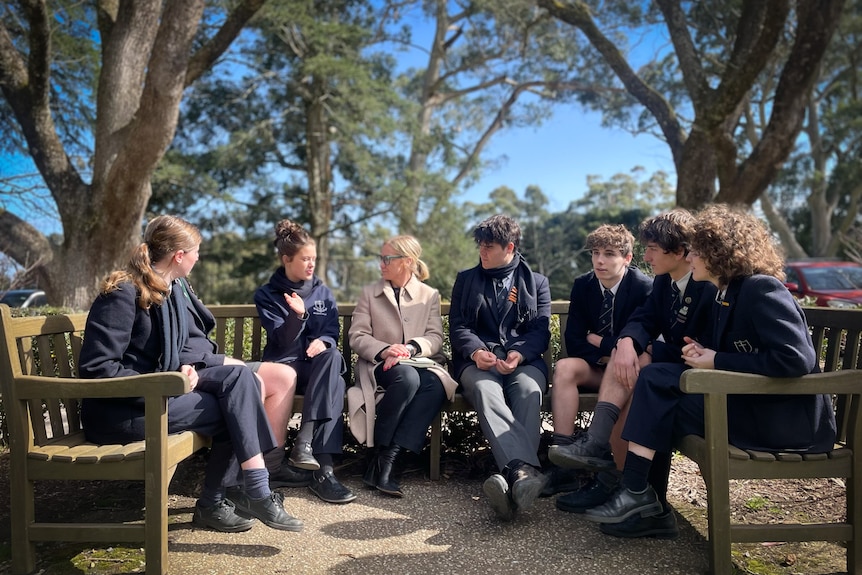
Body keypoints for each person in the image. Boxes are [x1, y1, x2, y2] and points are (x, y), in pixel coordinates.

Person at [583, 204, 837, 539]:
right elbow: (733, 353)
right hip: (749, 404)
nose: (690, 258)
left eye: (697, 251)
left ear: (719, 253)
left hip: (784, 421)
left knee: (658, 394)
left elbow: (796, 360)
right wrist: (703, 354)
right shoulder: (726, 293)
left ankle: (640, 497)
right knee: (656, 381)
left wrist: (716, 360)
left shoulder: (761, 289)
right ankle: (643, 500)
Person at [78, 215, 303, 533]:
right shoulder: (122, 293)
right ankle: (242, 494)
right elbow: (98, 370)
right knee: (233, 404)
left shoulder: (164, 290)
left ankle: (241, 492)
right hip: (119, 413)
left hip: (155, 398)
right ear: (178, 256)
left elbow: (163, 356)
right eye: (196, 251)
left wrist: (181, 371)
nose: (198, 258)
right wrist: (169, 385)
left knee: (240, 383)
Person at [550, 211, 715, 536]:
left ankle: (620, 482)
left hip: (696, 385)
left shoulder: (706, 287)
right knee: (629, 363)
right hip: (657, 375)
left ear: (681, 251)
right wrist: (627, 341)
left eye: (652, 248)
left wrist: (644, 349)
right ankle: (617, 475)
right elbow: (644, 319)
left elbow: (699, 347)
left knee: (637, 373)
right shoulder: (666, 283)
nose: (646, 256)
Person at [449, 214, 551, 521]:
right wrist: (478, 351)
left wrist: (517, 355)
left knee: (528, 389)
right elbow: (458, 326)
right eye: (480, 244)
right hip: (478, 362)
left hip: (524, 362)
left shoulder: (537, 283)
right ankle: (524, 474)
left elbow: (540, 332)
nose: (482, 250)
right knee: (485, 388)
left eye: (489, 245)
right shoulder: (466, 280)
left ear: (509, 247)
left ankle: (511, 484)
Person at [543, 224, 651, 496]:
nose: (600, 261)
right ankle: (565, 463)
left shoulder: (643, 287)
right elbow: (575, 339)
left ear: (627, 258)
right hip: (595, 368)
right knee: (566, 367)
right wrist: (603, 354)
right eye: (595, 253)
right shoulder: (584, 285)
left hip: (629, 373)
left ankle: (614, 474)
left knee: (623, 361)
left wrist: (604, 343)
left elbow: (643, 341)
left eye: (610, 254)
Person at [254, 219, 356, 504]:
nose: (311, 264)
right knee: (334, 382)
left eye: (314, 258)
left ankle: (305, 445)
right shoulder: (267, 295)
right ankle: (324, 471)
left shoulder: (323, 292)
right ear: (287, 259)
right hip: (284, 368)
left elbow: (331, 330)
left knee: (331, 357)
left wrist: (323, 340)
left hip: (316, 367)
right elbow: (282, 341)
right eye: (305, 259)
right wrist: (297, 316)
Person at [347, 235, 457, 497]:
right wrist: (385, 350)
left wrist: (410, 348)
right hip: (379, 365)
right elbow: (357, 335)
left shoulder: (429, 295)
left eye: (387, 258)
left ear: (407, 261)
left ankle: (389, 460)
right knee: (406, 379)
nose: (381, 264)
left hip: (418, 362)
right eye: (380, 257)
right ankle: (382, 455)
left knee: (434, 384)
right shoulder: (369, 293)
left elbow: (435, 337)